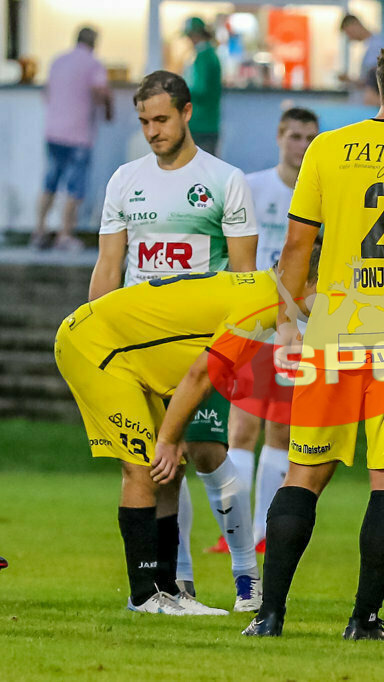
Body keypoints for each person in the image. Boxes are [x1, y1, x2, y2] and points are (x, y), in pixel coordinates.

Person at [244, 37, 384, 641]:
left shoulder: (327, 148)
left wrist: (286, 320)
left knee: (304, 474)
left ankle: (270, 616)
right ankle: (363, 619)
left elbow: (297, 247)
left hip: (331, 338)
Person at [89, 70, 260, 614]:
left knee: (204, 452)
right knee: (155, 462)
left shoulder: (225, 179)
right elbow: (109, 267)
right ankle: (174, 584)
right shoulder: (124, 180)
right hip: (137, 348)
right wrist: (95, 332)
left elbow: (243, 277)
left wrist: (234, 351)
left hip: (199, 346)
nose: (152, 131)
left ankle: (245, 574)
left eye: (161, 119)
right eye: (143, 121)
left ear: (188, 113)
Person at [55, 263, 316, 615]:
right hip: (97, 346)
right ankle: (145, 596)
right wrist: (166, 438)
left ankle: (167, 592)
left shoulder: (262, 292)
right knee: (143, 468)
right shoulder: (262, 307)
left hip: (125, 351)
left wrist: (172, 435)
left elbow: (195, 368)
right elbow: (199, 375)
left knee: (171, 469)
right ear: (307, 281)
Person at [206, 107, 320, 555]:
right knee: (243, 427)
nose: (303, 145)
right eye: (295, 136)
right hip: (256, 316)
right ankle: (232, 529)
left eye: (310, 137)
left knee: (282, 430)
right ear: (279, 136)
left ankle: (265, 532)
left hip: (299, 324)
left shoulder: (324, 197)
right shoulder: (253, 187)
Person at [32, 26, 112, 251]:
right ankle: (64, 235)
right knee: (75, 187)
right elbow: (100, 91)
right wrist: (108, 106)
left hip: (53, 132)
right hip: (78, 133)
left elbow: (47, 93)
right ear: (94, 42)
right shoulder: (94, 64)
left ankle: (39, 231)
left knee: (50, 182)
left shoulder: (57, 61)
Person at [184, 17, 222, 154]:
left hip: (200, 123)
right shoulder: (211, 54)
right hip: (207, 122)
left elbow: (200, 89)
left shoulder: (203, 56)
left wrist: (177, 93)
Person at [340, 14, 384, 104]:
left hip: (372, 102)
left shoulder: (376, 46)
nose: (349, 37)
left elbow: (372, 79)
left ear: (355, 25)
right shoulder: (370, 45)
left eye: (348, 33)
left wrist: (350, 80)